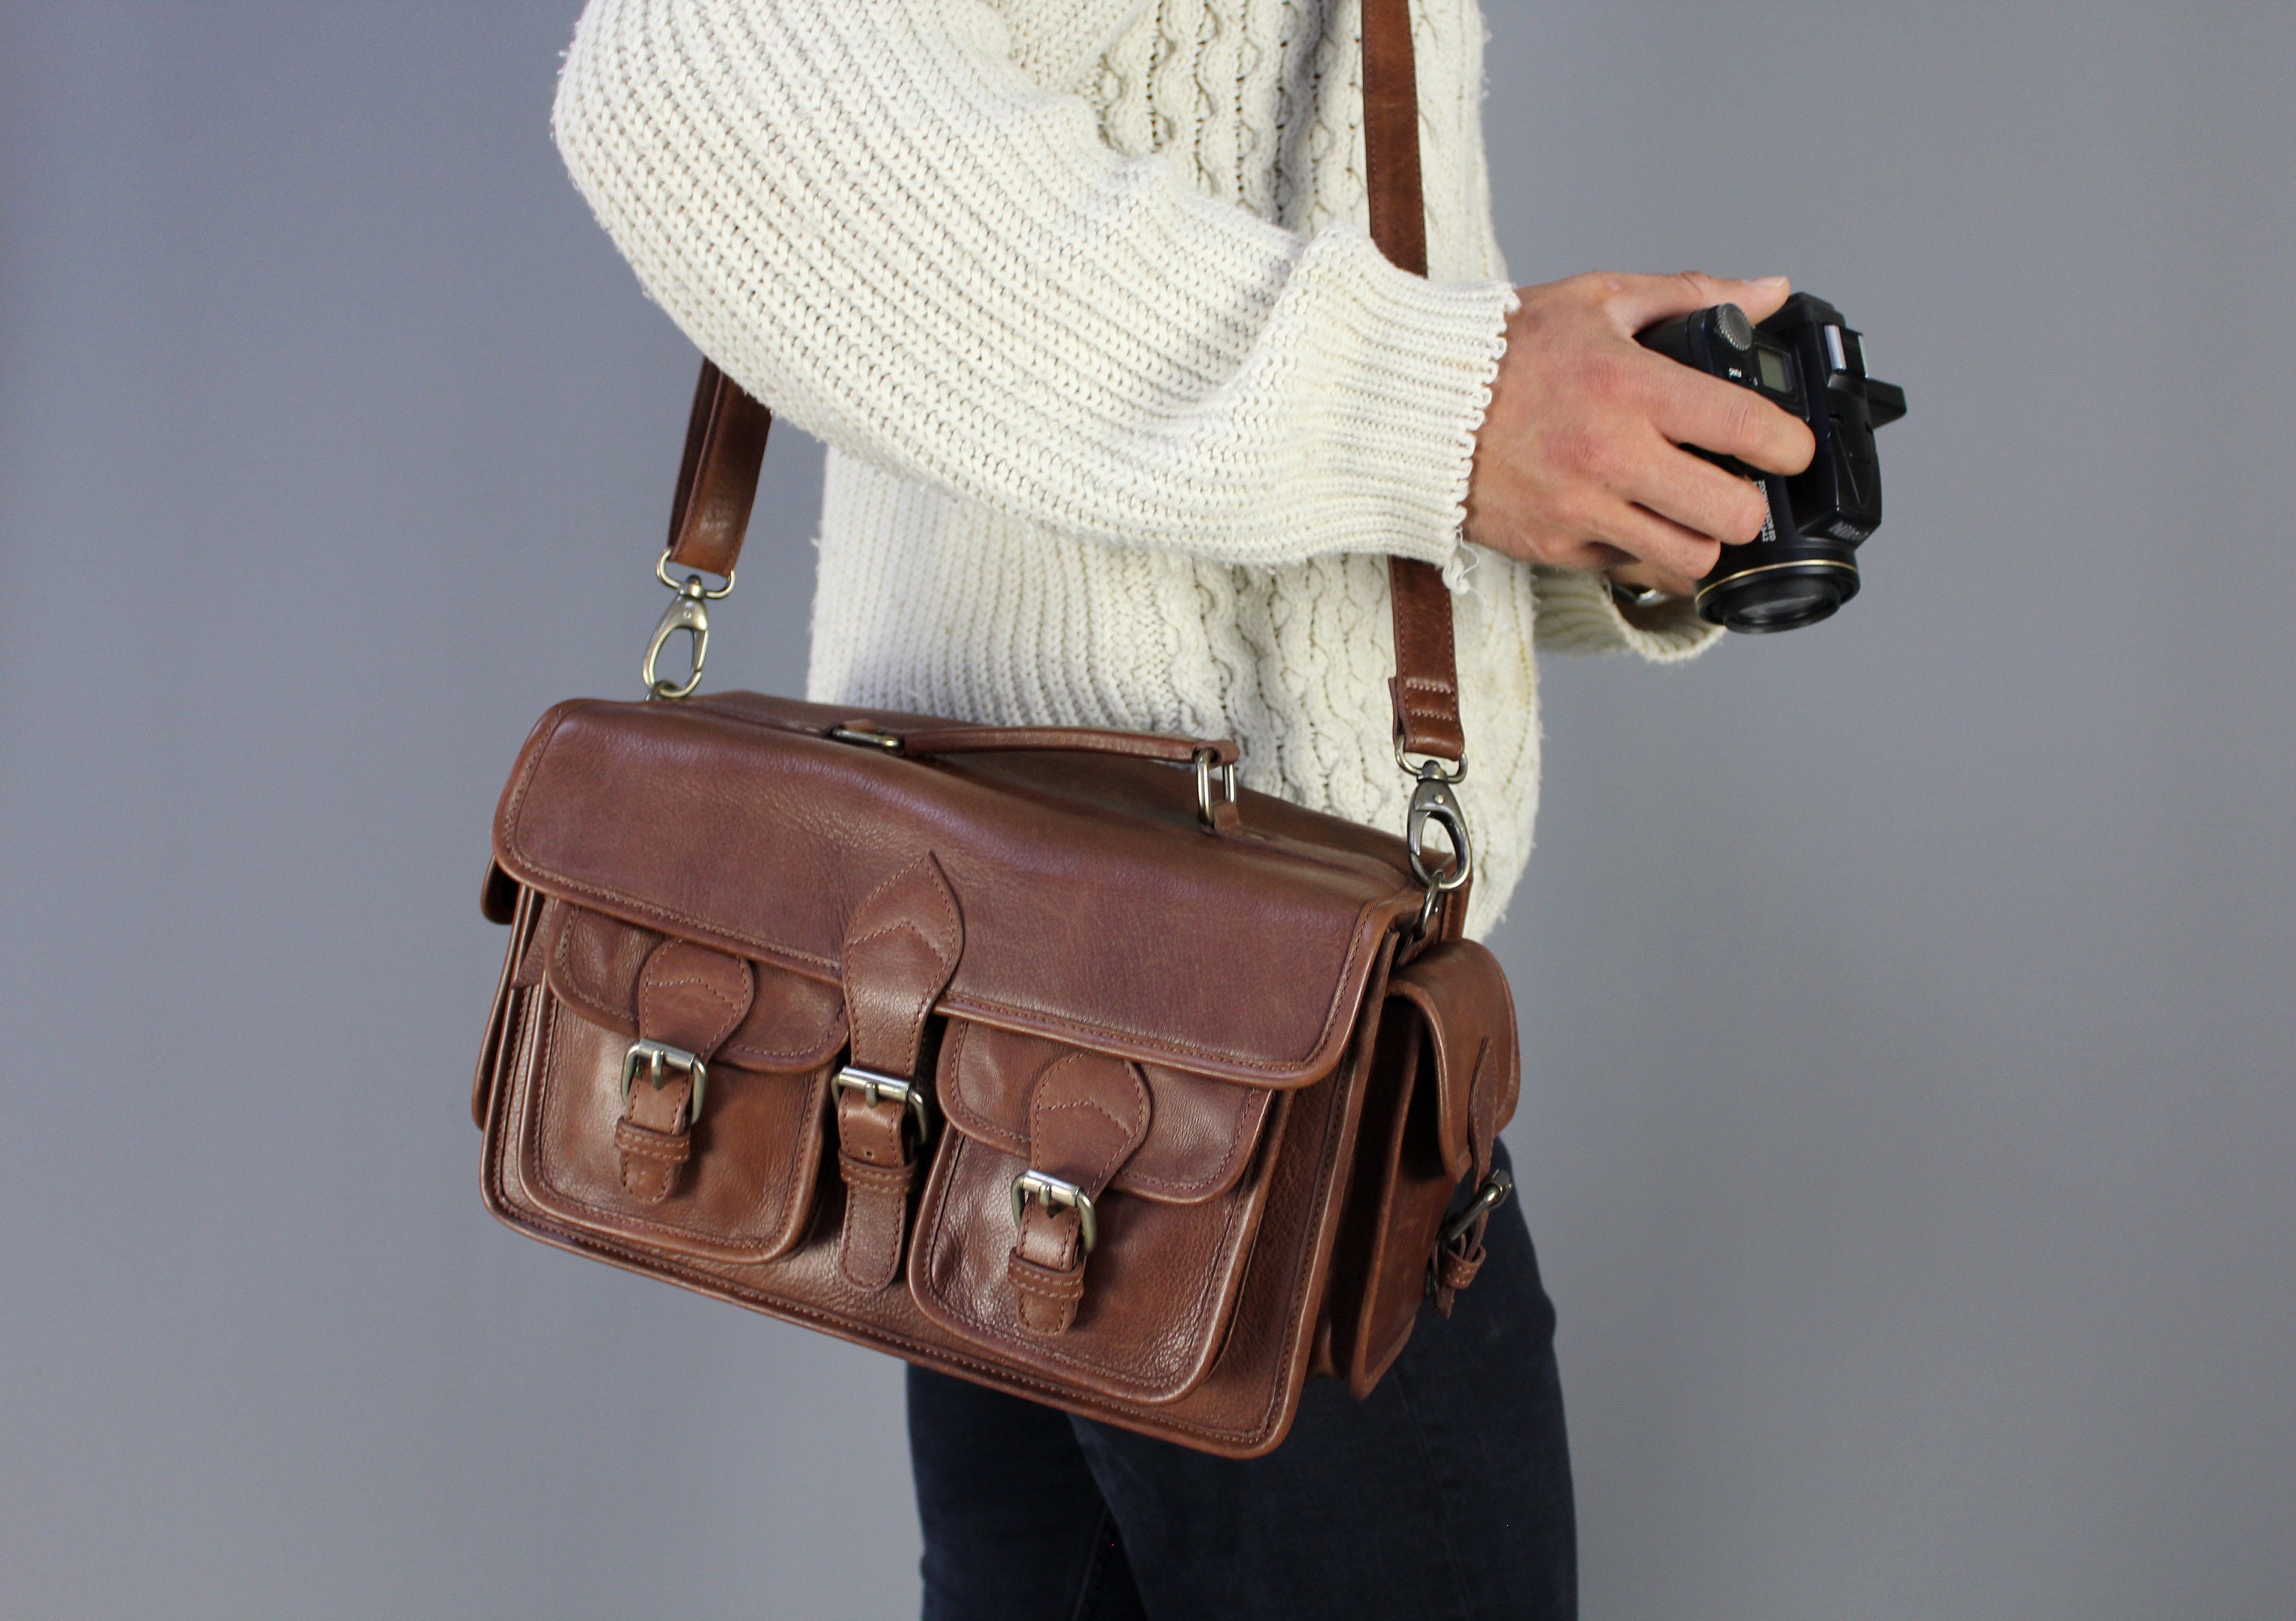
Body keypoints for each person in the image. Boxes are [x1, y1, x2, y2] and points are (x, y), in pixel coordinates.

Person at [552, 1, 1813, 1615]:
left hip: (1031, 1019)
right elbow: (690, 67)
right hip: (1232, 1073)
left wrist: (1592, 493)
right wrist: (1458, 403)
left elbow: (1299, 412)